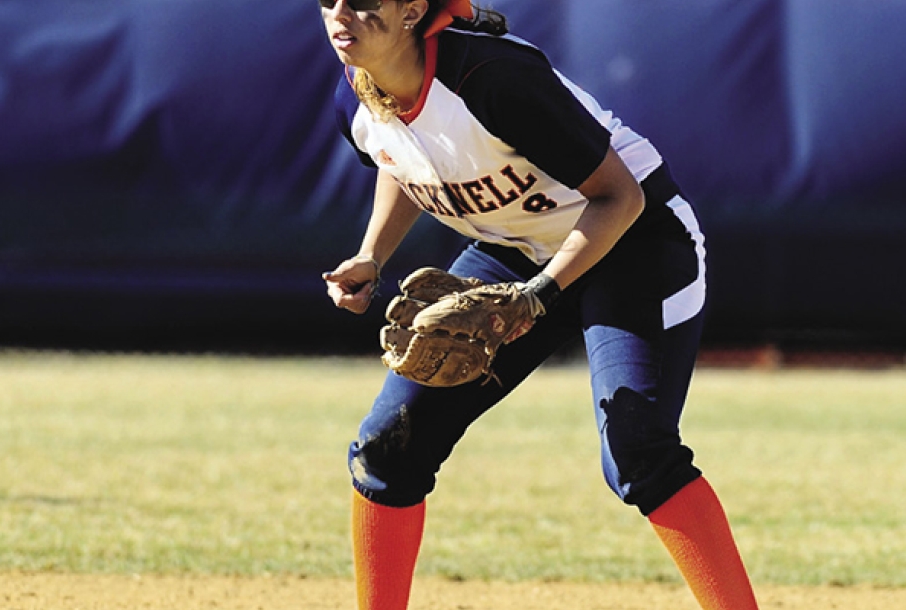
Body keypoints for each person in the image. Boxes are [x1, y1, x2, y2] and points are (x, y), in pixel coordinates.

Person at [319, 1, 759, 608]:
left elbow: (619, 197)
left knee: (638, 451)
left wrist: (537, 298)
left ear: (414, 10)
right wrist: (372, 254)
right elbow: (400, 157)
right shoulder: (358, 94)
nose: (342, 13)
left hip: (636, 241)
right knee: (388, 447)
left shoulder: (490, 79)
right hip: (515, 249)